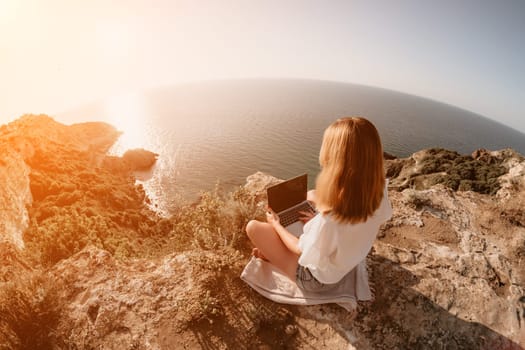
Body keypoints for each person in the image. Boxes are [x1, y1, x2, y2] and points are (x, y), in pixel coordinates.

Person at [245, 117, 392, 292]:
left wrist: (276, 224)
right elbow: (357, 224)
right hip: (345, 262)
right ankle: (273, 252)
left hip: (316, 279)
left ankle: (271, 256)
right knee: (311, 195)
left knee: (253, 228)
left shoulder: (331, 216)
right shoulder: (379, 189)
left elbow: (300, 249)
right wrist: (318, 222)